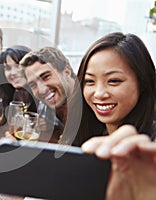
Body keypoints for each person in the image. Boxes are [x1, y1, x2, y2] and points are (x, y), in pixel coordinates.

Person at [67, 32, 156, 199]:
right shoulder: (86, 136)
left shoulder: (147, 155)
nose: (99, 94)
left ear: (142, 83)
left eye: (114, 81)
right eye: (90, 81)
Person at [20, 46, 76, 142]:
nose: (42, 90)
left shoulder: (91, 102)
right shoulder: (45, 107)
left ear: (67, 72)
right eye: (33, 85)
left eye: (46, 77)